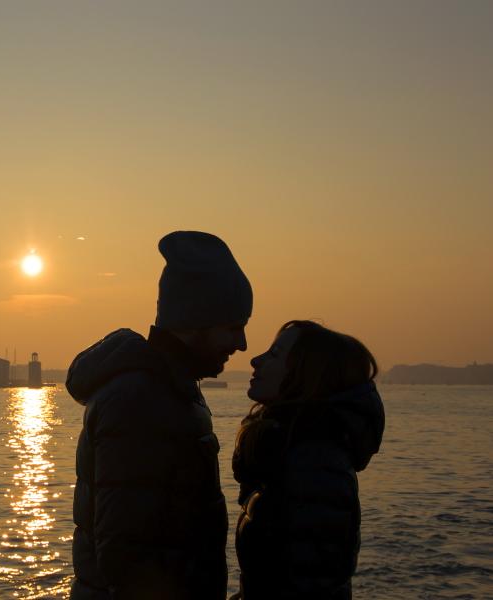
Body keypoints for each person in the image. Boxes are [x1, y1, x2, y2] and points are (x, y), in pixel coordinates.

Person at [66, 231, 252, 599]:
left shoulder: (168, 389)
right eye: (233, 327)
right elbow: (126, 557)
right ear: (195, 321)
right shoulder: (141, 400)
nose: (242, 344)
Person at [231, 320, 385, 600]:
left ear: (304, 376)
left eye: (275, 355)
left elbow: (309, 584)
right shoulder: (289, 450)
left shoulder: (314, 464)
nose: (255, 360)